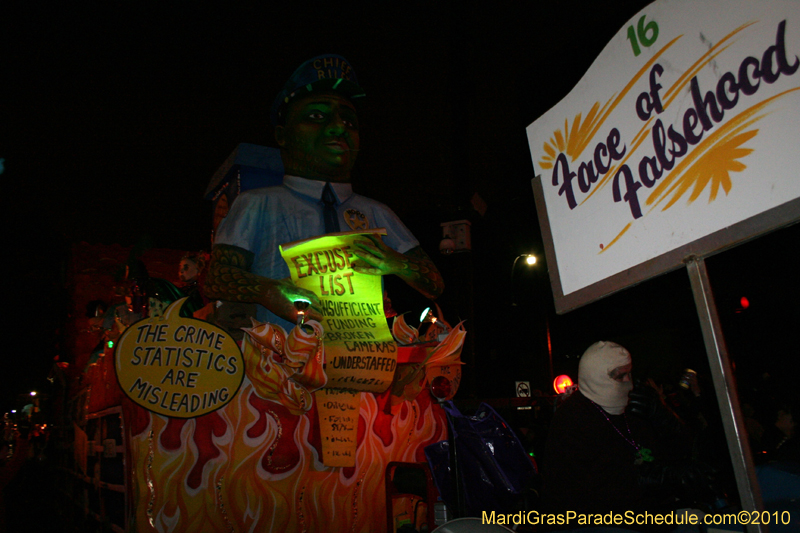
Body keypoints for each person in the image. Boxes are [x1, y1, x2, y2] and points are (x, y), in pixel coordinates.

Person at [205, 54, 444, 332]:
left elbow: (434, 283)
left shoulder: (377, 213)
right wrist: (268, 291)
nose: (339, 127)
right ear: (282, 135)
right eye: (317, 116)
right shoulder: (257, 204)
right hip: (279, 365)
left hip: (357, 365)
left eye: (349, 121)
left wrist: (398, 263)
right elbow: (216, 277)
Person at [541, 341, 709, 530]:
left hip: (642, 515)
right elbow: (594, 493)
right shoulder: (573, 418)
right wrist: (650, 485)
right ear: (597, 377)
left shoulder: (632, 407)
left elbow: (681, 449)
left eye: (630, 373)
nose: (628, 382)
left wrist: (663, 416)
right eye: (621, 376)